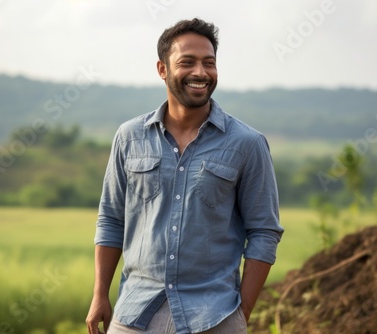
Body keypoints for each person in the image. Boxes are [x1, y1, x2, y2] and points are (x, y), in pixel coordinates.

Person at [86, 18, 284, 334]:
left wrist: (241, 313)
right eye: (187, 62)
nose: (201, 73)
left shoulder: (247, 143)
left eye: (209, 63)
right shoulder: (129, 137)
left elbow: (264, 231)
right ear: (162, 69)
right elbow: (111, 219)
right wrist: (100, 295)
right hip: (135, 312)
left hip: (215, 315)